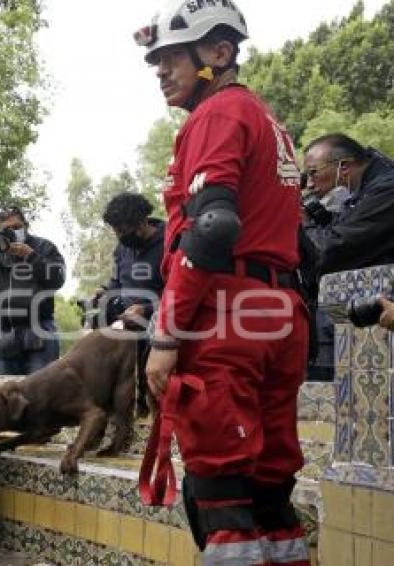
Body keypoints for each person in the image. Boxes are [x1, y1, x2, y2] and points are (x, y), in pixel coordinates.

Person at [134, 2, 311, 564]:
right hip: (279, 312)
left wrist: (166, 334)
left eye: (171, 58)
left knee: (221, 490)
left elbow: (212, 227)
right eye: (154, 62)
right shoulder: (267, 121)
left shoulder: (215, 115)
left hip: (228, 316)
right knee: (269, 487)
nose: (160, 71)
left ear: (218, 52)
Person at [0, 205, 66, 375]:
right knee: (8, 396)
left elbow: (57, 280)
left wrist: (31, 256)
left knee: (40, 392)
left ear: (26, 226)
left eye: (17, 227)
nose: (13, 232)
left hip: (40, 332)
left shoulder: (44, 247)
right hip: (4, 335)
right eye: (7, 229)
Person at [100, 192, 166, 417]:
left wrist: (147, 309)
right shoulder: (122, 249)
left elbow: (180, 290)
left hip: (160, 328)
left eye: (122, 231)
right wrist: (106, 293)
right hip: (127, 330)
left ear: (141, 222)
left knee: (154, 386)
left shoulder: (170, 242)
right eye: (115, 231)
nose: (119, 236)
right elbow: (118, 283)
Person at [302, 134, 394, 274]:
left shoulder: (387, 191)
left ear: (343, 167)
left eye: (314, 173)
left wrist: (300, 218)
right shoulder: (361, 190)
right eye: (306, 176)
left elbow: (331, 252)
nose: (309, 185)